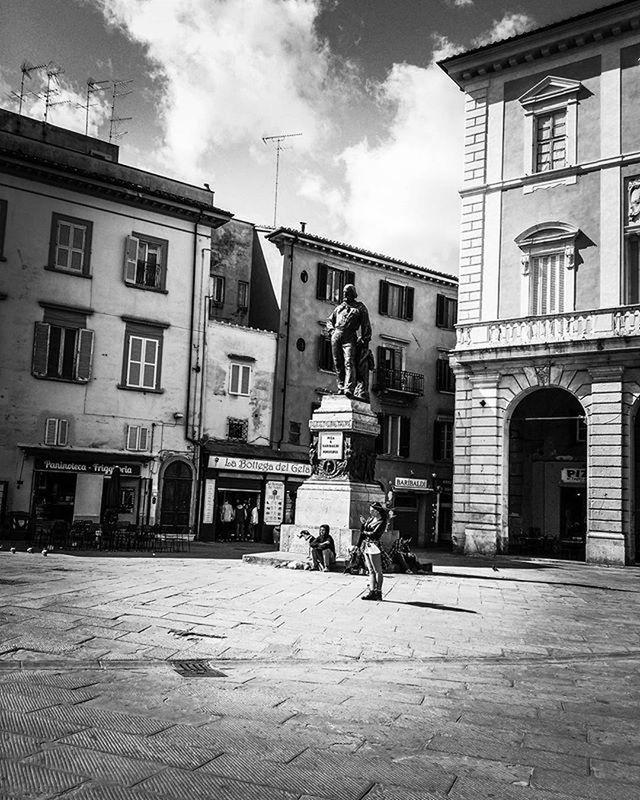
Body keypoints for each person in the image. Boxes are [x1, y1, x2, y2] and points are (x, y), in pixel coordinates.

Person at [326, 284, 372, 400]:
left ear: (353, 293)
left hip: (350, 336)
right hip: (336, 335)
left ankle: (349, 388)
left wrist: (364, 339)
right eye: (344, 292)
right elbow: (330, 321)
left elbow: (366, 325)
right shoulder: (339, 308)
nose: (345, 295)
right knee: (338, 363)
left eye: (347, 292)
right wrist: (332, 331)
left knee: (349, 361)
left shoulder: (360, 308)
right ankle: (341, 387)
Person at [359, 501, 388, 600]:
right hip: (367, 545)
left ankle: (378, 592)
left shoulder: (382, 521)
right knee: (370, 570)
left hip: (374, 545)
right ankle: (372, 591)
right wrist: (364, 524)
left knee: (377, 570)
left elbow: (375, 534)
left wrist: (364, 532)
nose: (370, 512)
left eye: (372, 510)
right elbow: (365, 530)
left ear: (377, 511)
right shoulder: (371, 519)